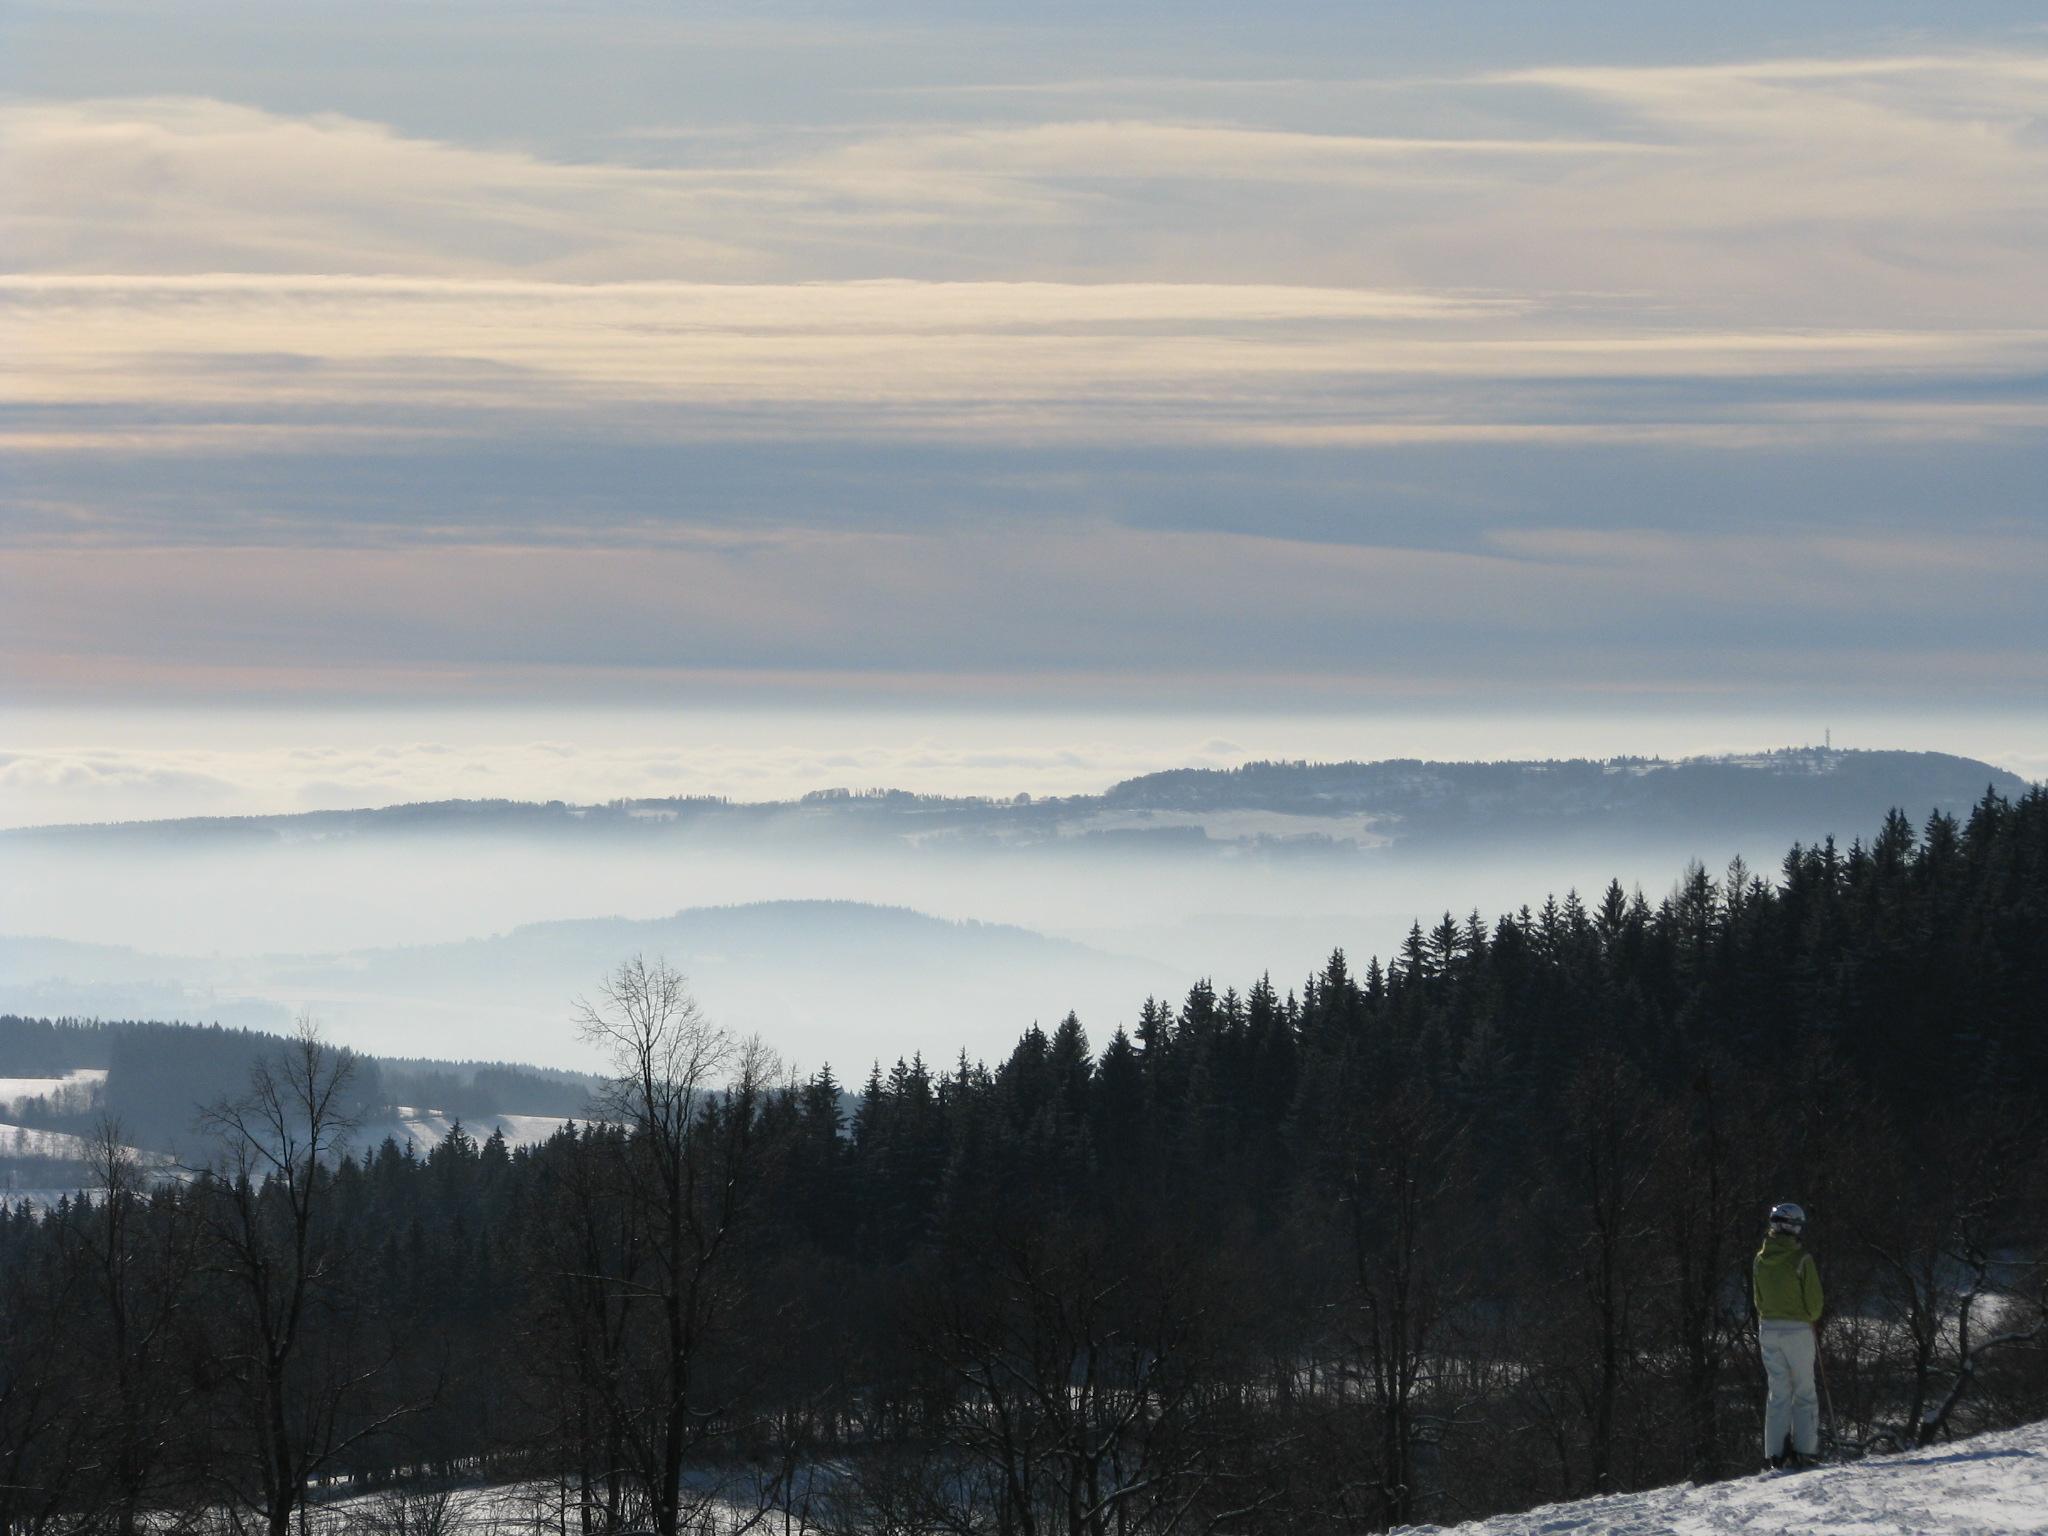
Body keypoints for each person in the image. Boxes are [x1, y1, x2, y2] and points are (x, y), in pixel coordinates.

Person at [1753, 1201, 1824, 1470]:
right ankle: (1805, 1451)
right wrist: (1807, 1315)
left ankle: (1775, 1453)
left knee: (1778, 1391)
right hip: (1797, 1331)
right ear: (1791, 1227)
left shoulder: (1760, 1259)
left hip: (1768, 1329)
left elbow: (1758, 1300)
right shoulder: (1801, 1259)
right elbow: (1814, 1305)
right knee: (1804, 1390)